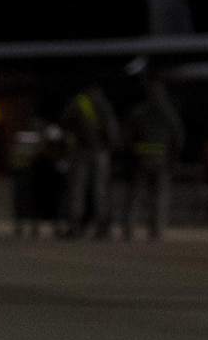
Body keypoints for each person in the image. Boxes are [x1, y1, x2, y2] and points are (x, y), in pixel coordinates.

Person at [116, 77, 185, 240]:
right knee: (159, 197)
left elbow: (126, 138)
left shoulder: (138, 112)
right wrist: (173, 159)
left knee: (134, 196)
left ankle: (129, 229)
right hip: (161, 160)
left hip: (140, 160)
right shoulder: (169, 114)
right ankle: (155, 231)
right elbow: (178, 139)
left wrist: (127, 157)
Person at [58, 85, 120, 238]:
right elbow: (112, 130)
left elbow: (65, 122)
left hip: (81, 151)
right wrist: (111, 149)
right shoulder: (104, 103)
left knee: (77, 189)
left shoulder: (78, 102)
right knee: (100, 190)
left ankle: (75, 227)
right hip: (101, 152)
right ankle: (102, 228)